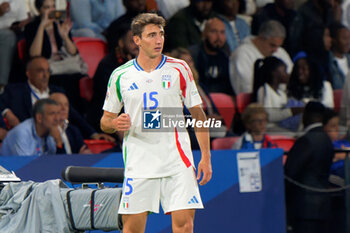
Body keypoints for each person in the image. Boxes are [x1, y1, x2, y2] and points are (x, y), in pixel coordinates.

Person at [100, 13, 212, 233]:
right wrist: (115, 123)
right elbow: (105, 121)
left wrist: (206, 157)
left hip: (177, 159)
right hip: (140, 161)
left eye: (160, 34)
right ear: (137, 40)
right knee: (132, 228)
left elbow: (198, 115)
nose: (159, 40)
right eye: (151, 35)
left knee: (184, 225)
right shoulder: (120, 75)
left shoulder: (179, 68)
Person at [0, 56, 115, 142]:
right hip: (28, 139)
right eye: (40, 71)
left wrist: (93, 134)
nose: (45, 75)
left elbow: (74, 115)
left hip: (57, 137)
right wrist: (7, 113)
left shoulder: (57, 91)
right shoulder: (15, 90)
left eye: (48, 71)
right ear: (28, 73)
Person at [24, 0, 85, 113]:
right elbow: (34, 55)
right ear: (39, 10)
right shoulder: (32, 27)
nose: (51, 11)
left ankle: (77, 115)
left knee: (75, 78)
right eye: (46, 7)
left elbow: (73, 52)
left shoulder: (59, 23)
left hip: (64, 65)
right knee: (60, 80)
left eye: (53, 7)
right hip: (48, 67)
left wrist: (65, 36)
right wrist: (42, 27)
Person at [284, 101, 334, 233]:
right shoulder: (327, 140)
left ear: (305, 116)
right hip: (323, 206)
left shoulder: (306, 140)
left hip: (305, 208)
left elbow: (290, 172)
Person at [87, 24, 139, 131]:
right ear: (121, 43)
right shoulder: (107, 65)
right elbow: (116, 99)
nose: (136, 45)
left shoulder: (137, 63)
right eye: (131, 41)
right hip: (106, 117)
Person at [229, 20, 293, 95]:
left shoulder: (280, 52)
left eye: (278, 46)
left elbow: (291, 76)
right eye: (272, 45)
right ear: (261, 38)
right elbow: (245, 88)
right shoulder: (242, 54)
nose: (276, 50)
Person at [253, 56, 303, 134]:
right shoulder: (264, 90)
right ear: (274, 72)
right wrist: (291, 111)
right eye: (284, 71)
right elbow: (267, 116)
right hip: (269, 128)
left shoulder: (282, 93)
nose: (287, 74)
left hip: (283, 127)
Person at [189, 17, 235, 96]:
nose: (218, 37)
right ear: (204, 34)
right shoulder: (194, 54)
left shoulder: (226, 55)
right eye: (214, 31)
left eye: (222, 32)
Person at [0, 0, 30, 90]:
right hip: (5, 34)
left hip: (14, 32)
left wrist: (22, 24)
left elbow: (25, 18)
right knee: (8, 37)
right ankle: (2, 84)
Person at [328, 22, 350, 89]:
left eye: (349, 38)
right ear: (334, 40)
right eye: (344, 38)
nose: (348, 42)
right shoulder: (328, 62)